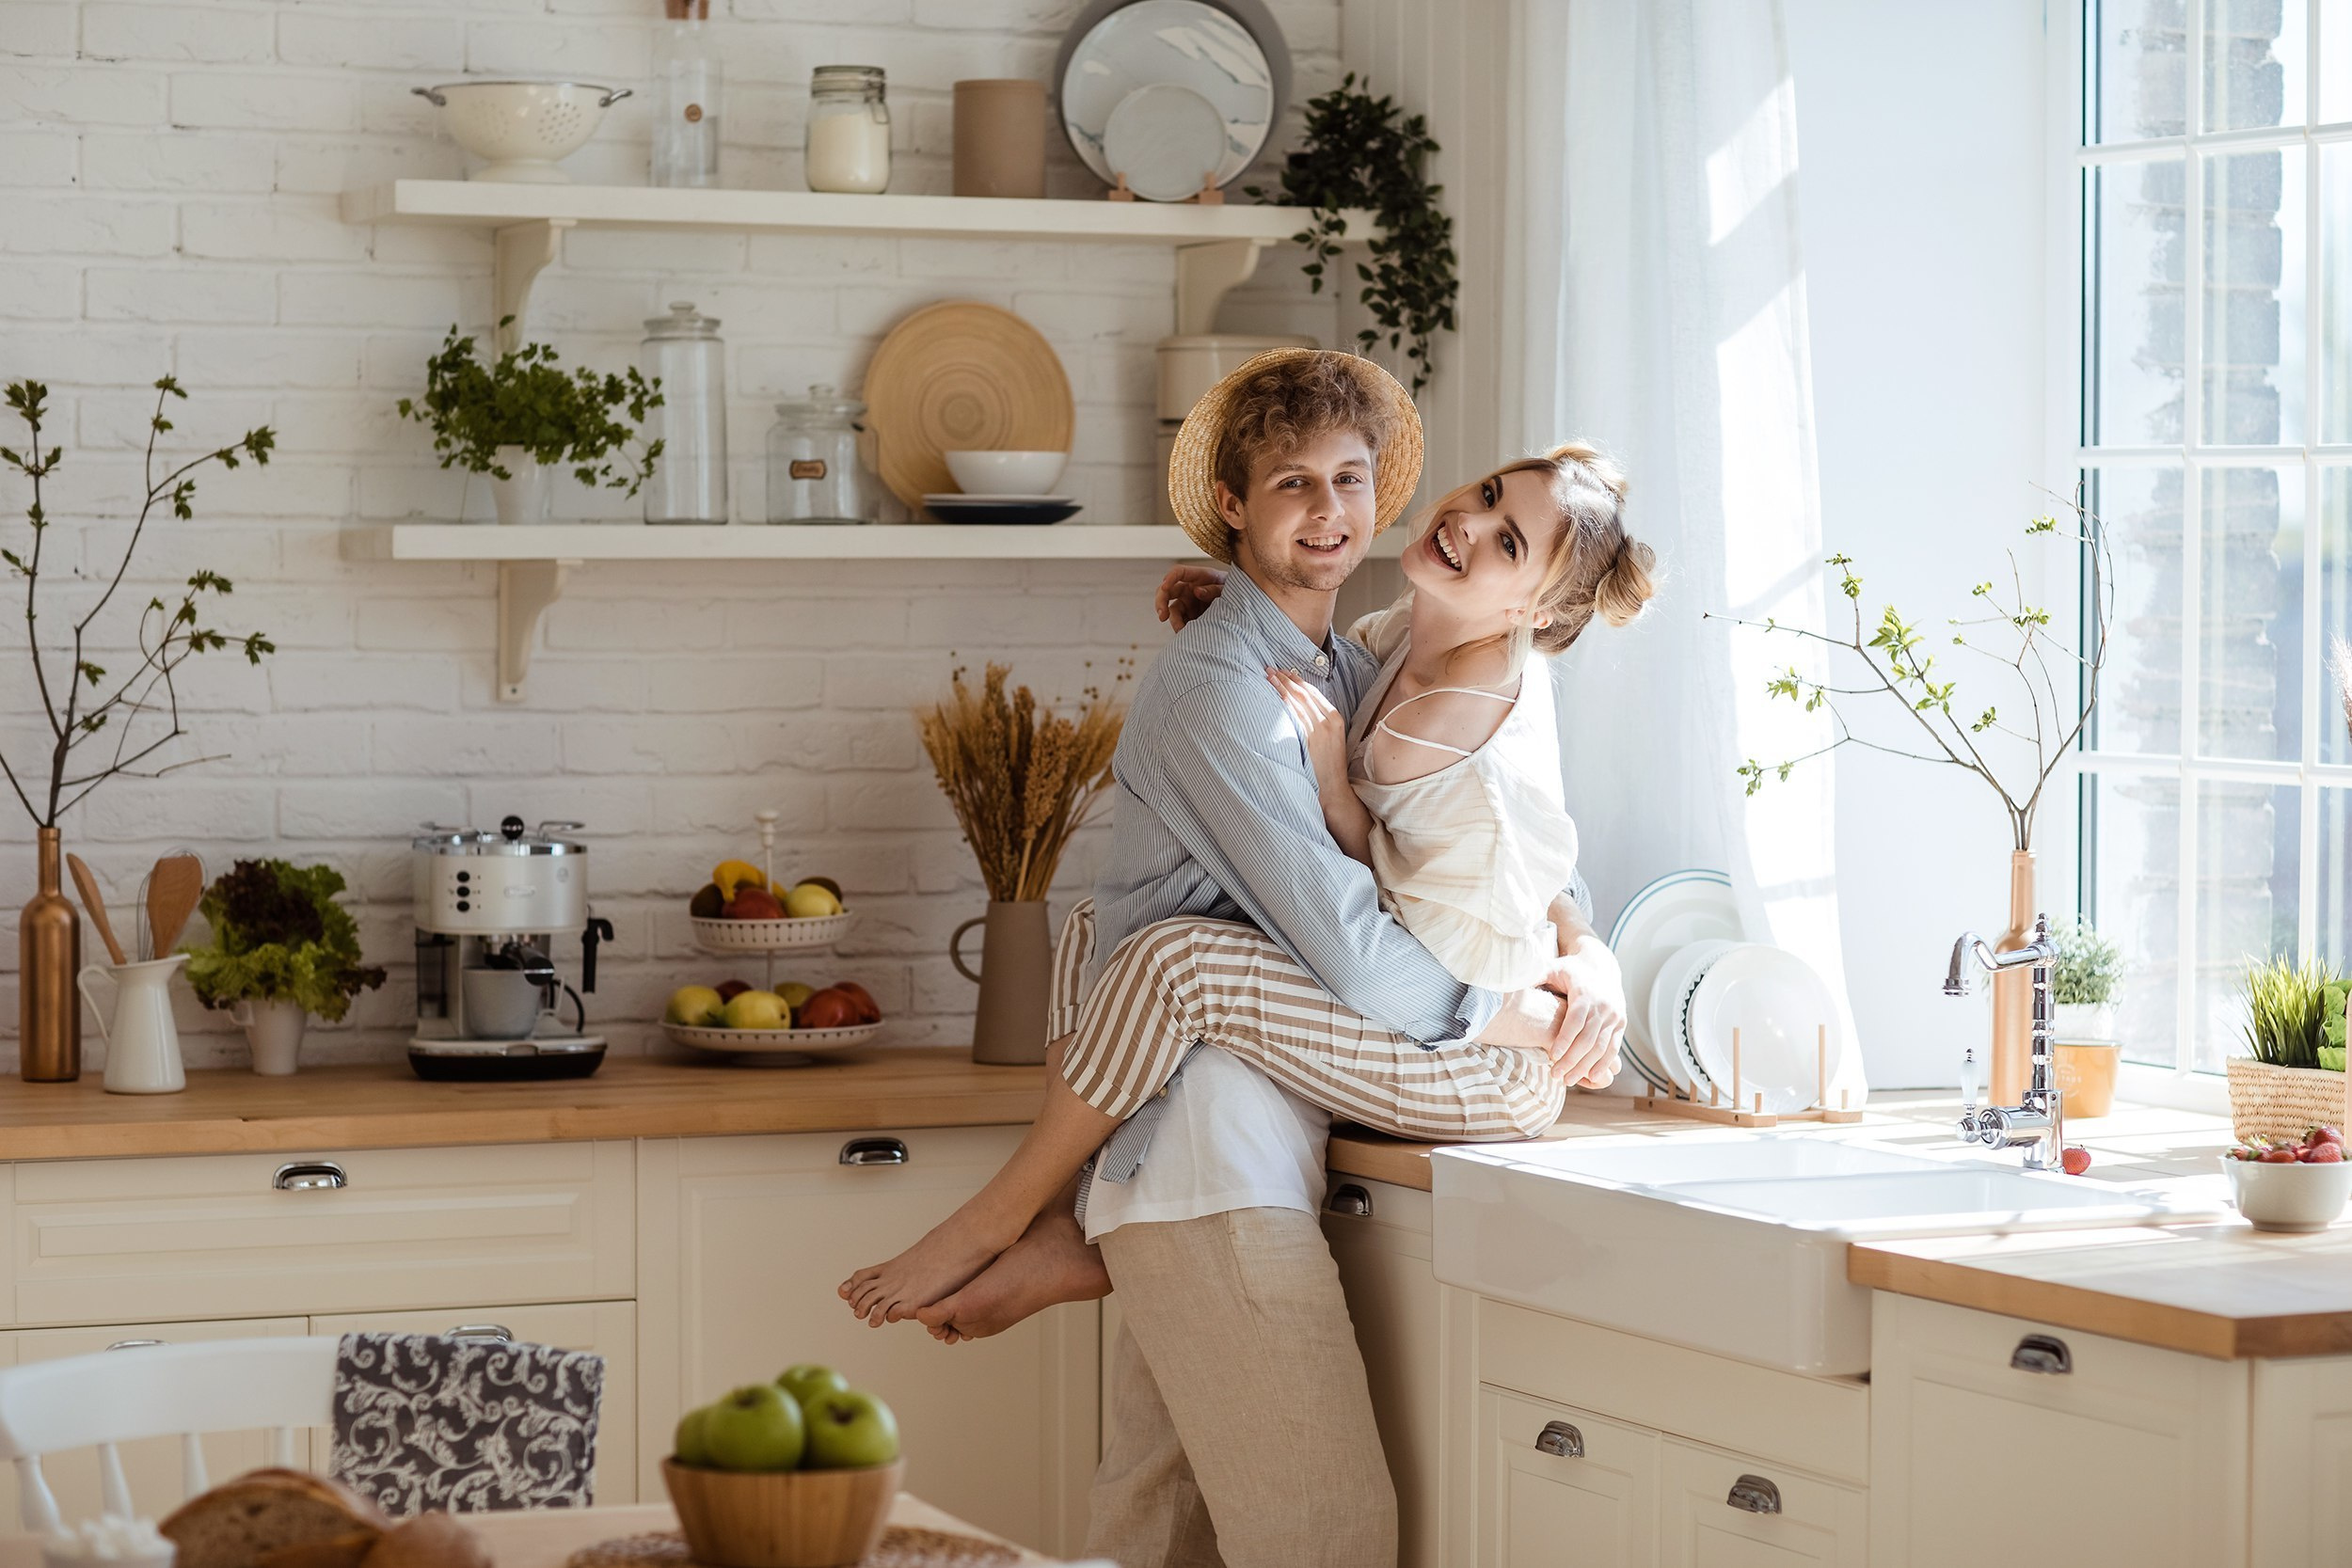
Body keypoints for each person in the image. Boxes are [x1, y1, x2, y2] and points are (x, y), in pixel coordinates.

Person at [839, 436, 1655, 1331]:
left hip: (1492, 1063)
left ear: (1534, 611)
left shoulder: (1457, 713)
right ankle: (1082, 1220)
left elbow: (1390, 917)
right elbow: (1462, 835)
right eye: (1490, 492)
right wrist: (1237, 605)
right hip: (1457, 1007)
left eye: (1509, 543)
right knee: (1091, 926)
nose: (1473, 520)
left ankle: (1004, 1214)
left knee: (1179, 959)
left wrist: (1531, 999)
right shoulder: (1402, 639)